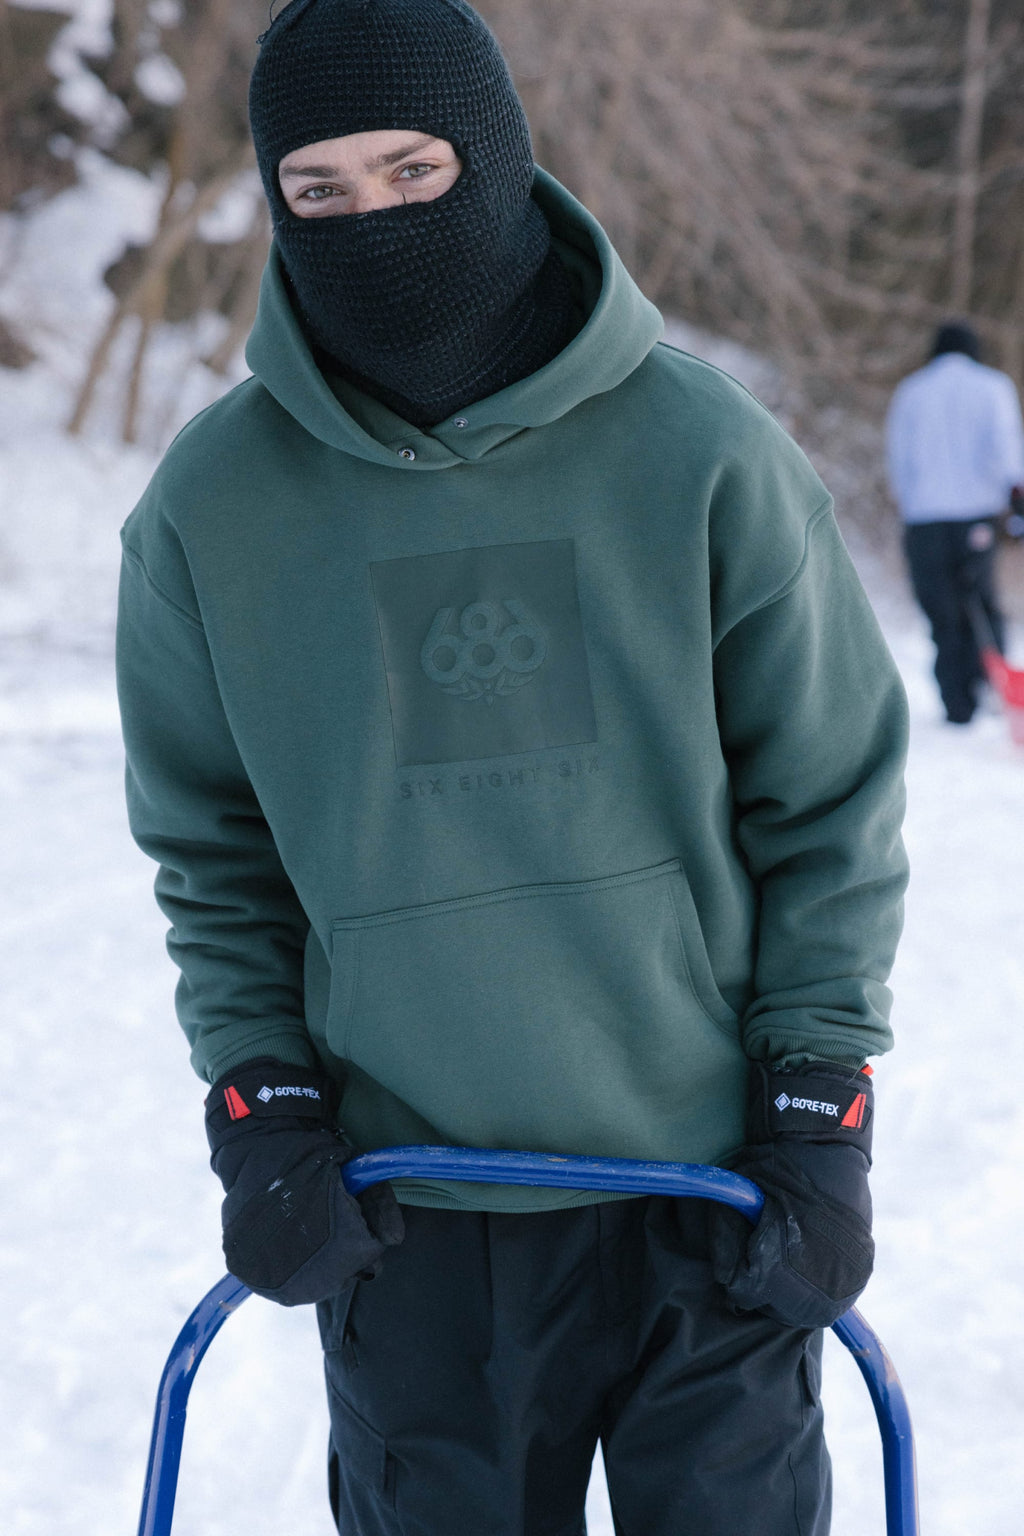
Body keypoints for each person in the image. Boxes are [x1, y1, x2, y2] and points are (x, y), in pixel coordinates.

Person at [115, 2, 909, 1531]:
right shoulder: (215, 506)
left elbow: (828, 799)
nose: (374, 220)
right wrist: (264, 1104)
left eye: (413, 169)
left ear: (496, 160)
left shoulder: (701, 453)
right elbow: (210, 847)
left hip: (709, 1196)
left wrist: (819, 1101)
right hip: (410, 1209)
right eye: (321, 192)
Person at [886, 320, 1024, 724]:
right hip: (975, 517)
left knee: (942, 610)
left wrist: (909, 507)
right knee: (980, 602)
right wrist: (1016, 499)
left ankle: (956, 702)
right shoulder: (992, 386)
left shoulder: (911, 391)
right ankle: (997, 692)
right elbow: (1005, 448)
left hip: (925, 520)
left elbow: (898, 459)